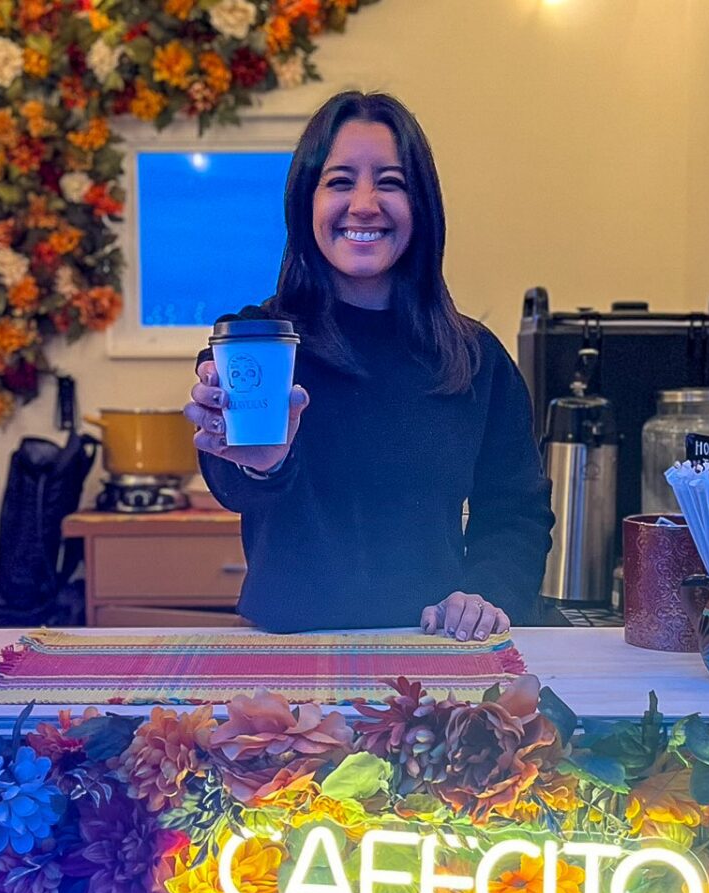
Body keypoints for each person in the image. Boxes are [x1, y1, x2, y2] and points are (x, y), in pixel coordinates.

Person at [184, 91, 552, 639]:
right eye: (338, 181)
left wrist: (486, 594)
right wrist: (261, 463)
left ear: (421, 206)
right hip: (285, 663)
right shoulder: (258, 345)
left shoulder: (475, 358)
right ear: (304, 203)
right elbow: (234, 483)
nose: (363, 204)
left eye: (390, 182)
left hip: (432, 656)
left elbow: (517, 514)